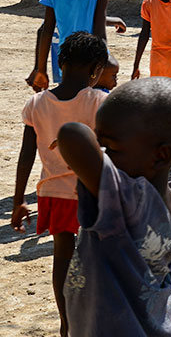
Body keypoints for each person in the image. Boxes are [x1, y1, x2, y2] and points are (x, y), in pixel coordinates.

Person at [56, 77, 171, 337]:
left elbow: (71, 134)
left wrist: (89, 152)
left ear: (161, 155)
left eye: (109, 146)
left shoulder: (125, 200)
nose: (101, 153)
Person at [12, 31, 109, 337]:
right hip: (93, 193)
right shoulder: (99, 101)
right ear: (96, 68)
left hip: (53, 192)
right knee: (99, 256)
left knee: (62, 256)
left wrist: (18, 201)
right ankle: (95, 319)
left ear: (61, 61)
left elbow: (26, 155)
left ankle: (67, 322)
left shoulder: (36, 104)